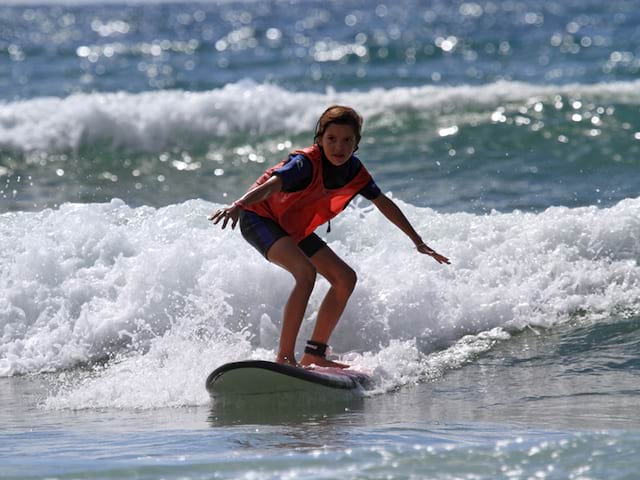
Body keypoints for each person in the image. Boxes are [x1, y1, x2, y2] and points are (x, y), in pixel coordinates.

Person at [209, 105, 449, 369]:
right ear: (319, 139)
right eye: (331, 139)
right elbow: (272, 185)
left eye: (348, 140)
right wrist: (238, 205)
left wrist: (418, 241)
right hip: (258, 217)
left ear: (357, 144)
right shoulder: (304, 164)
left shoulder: (355, 171)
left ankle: (314, 353)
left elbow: (383, 202)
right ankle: (285, 358)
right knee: (305, 273)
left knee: (345, 278)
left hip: (292, 226)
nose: (339, 147)